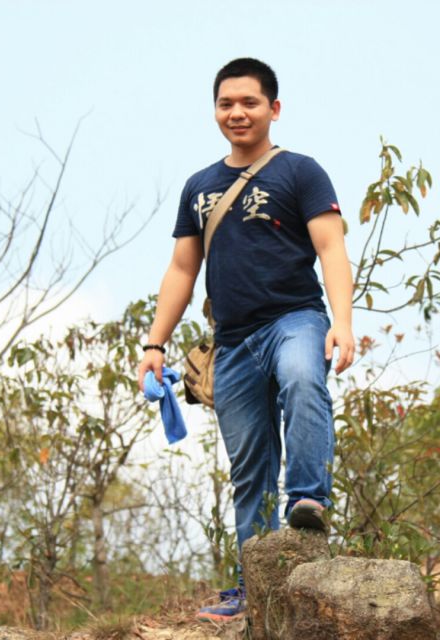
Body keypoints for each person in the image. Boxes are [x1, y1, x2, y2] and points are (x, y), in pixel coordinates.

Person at [137, 57, 354, 622]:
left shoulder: (300, 172)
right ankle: (253, 591)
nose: (237, 112)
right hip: (232, 342)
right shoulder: (199, 187)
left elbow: (331, 248)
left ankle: (308, 498)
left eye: (249, 102)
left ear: (273, 109)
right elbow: (182, 269)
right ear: (215, 111)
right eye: (226, 103)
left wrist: (342, 321)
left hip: (294, 319)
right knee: (250, 468)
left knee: (303, 378)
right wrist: (155, 345)